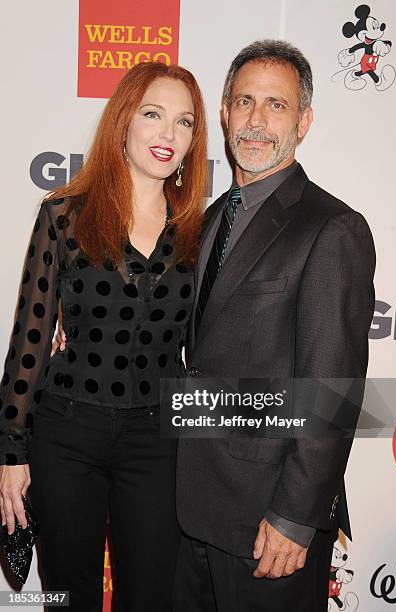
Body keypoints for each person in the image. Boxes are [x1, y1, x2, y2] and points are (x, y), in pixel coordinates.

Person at [174, 40, 376, 611]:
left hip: (268, 522)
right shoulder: (210, 218)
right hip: (190, 510)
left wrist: (295, 514)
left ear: (305, 120)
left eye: (276, 105)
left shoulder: (332, 227)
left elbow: (332, 389)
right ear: (223, 110)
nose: (256, 121)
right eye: (244, 102)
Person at [0, 61, 208, 611]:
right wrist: (11, 454)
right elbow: (29, 341)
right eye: (153, 114)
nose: (168, 133)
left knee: (151, 597)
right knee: (67, 597)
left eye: (184, 123)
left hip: (159, 443)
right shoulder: (64, 215)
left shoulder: (202, 231)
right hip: (67, 433)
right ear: (124, 122)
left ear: (195, 141)